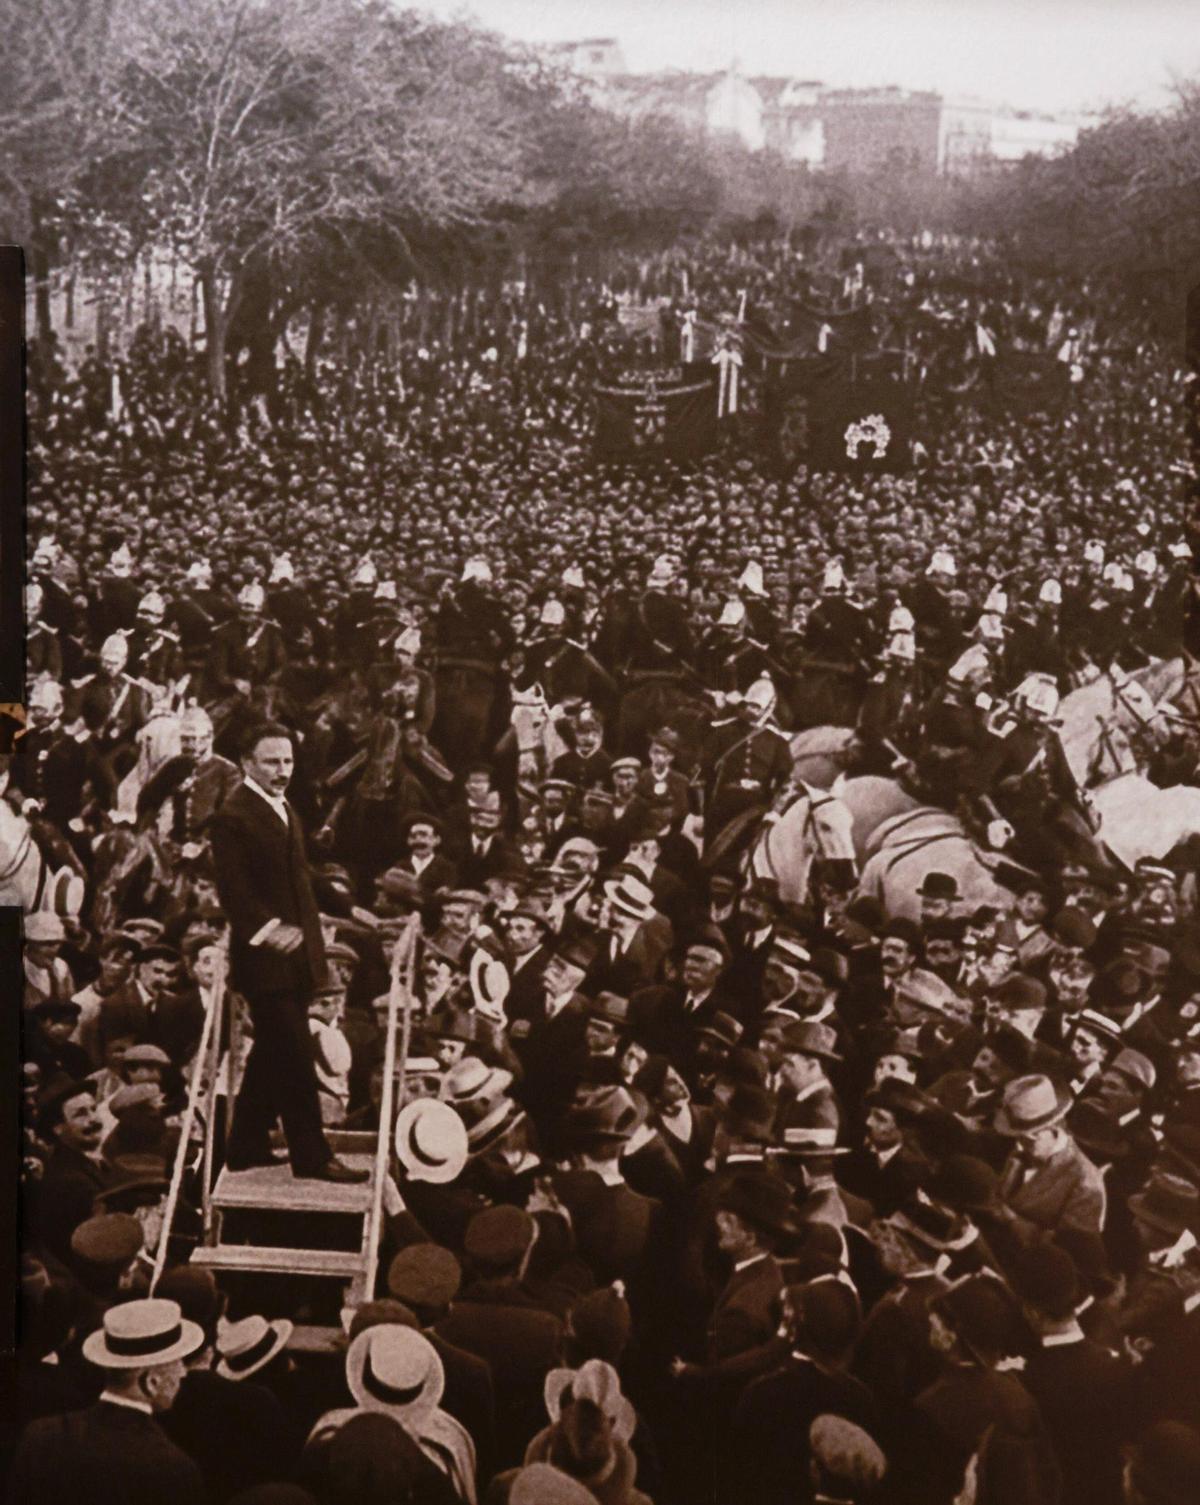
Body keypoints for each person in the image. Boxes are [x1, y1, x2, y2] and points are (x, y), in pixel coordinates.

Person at [208, 722, 377, 1181]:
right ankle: (313, 1156)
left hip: (298, 956)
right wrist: (268, 930)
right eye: (271, 762)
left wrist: (351, 907)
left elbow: (302, 873)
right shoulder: (233, 816)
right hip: (266, 959)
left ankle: (243, 1145)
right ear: (247, 763)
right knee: (297, 1056)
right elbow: (234, 892)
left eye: (287, 761)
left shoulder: (282, 807)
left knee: (272, 1052)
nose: (282, 771)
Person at [7, 1297, 206, 1505]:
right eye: (178, 1363)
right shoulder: (173, 1469)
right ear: (152, 1381)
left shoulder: (40, 1435)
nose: (183, 1373)